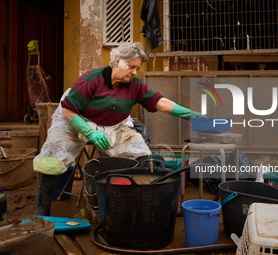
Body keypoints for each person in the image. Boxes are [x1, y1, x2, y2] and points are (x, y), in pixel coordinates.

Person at [33, 42, 205, 216]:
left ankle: (137, 205)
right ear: (117, 61)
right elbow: (68, 109)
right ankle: (41, 211)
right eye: (131, 67)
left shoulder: (135, 85)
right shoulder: (91, 79)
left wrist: (189, 114)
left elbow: (160, 103)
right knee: (52, 157)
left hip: (113, 125)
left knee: (142, 156)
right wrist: (89, 132)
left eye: (137, 68)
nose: (134, 72)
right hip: (74, 118)